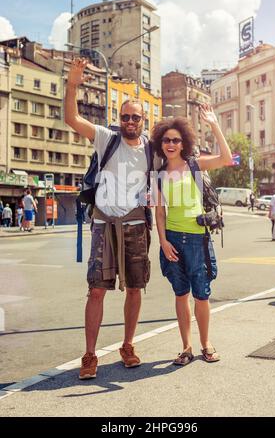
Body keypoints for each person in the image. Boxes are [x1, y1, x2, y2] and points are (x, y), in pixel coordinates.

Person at [65, 57, 152, 379]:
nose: (130, 121)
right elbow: (72, 118)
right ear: (120, 118)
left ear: (144, 120)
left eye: (136, 117)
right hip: (103, 224)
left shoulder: (152, 147)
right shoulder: (106, 137)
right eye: (125, 116)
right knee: (97, 290)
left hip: (136, 225)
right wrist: (74, 82)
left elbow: (181, 161)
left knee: (134, 289)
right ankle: (89, 354)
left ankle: (127, 346)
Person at [152, 104, 232, 365]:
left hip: (198, 238)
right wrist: (163, 241)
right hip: (172, 239)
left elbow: (226, 158)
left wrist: (214, 125)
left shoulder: (195, 165)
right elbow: (159, 212)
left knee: (202, 294)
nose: (171, 144)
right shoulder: (158, 175)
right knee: (180, 293)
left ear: (183, 142)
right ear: (161, 143)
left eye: (176, 140)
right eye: (166, 140)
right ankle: (186, 347)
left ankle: (206, 344)